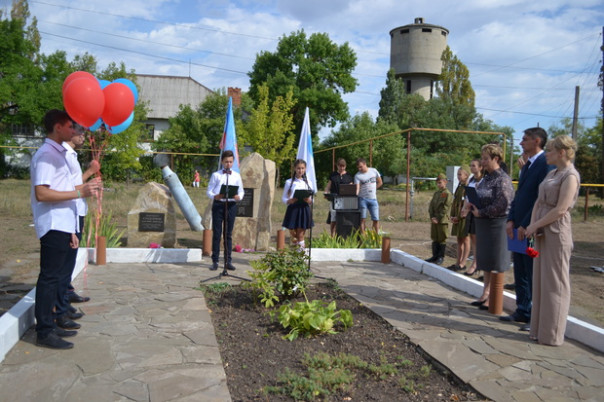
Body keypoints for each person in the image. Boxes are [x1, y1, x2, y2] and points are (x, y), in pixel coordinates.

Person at [30, 110, 101, 349]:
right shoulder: (46, 155)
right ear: (58, 127)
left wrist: (72, 229)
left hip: (63, 223)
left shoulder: (58, 153)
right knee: (49, 278)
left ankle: (53, 321)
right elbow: (42, 193)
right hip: (52, 224)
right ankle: (44, 331)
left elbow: (64, 190)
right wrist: (80, 192)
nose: (74, 131)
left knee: (57, 276)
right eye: (70, 126)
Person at [525, 135, 580, 345]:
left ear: (562, 152)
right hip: (541, 232)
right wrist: (533, 225)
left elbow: (561, 209)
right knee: (540, 281)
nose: (546, 154)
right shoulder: (552, 173)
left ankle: (552, 334)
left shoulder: (570, 176)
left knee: (555, 283)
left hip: (556, 232)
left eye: (550, 150)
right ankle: (538, 330)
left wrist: (536, 225)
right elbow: (539, 202)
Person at [501, 127, 553, 326]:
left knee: (532, 271)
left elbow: (539, 200)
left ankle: (534, 315)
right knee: (520, 270)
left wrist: (525, 224)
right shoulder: (527, 165)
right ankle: (522, 309)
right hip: (517, 227)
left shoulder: (545, 164)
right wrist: (511, 219)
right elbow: (519, 195)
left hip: (530, 229)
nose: (521, 143)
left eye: (525, 139)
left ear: (537, 141)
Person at [57, 124, 101, 329]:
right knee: (63, 264)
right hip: (68, 212)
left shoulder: (72, 155)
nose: (83, 135)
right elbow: (70, 187)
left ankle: (66, 296)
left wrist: (90, 182)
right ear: (69, 132)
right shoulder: (62, 154)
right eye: (80, 131)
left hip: (76, 210)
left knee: (69, 260)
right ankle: (61, 304)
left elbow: (76, 183)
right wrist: (90, 173)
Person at [469, 144, 514, 310]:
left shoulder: (502, 179)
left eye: (486, 159)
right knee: (486, 261)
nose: (483, 162)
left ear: (496, 159)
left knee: (496, 261)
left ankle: (493, 297)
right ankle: (485, 293)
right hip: (483, 224)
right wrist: (472, 204)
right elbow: (481, 195)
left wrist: (481, 212)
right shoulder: (486, 178)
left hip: (497, 224)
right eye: (482, 158)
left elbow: (503, 204)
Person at [206, 150, 244, 271]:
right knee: (217, 233)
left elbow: (241, 191)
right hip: (219, 205)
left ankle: (228, 261)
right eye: (226, 161)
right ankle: (215, 260)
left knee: (228, 234)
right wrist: (215, 196)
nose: (228, 164)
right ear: (222, 161)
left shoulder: (236, 176)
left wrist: (238, 197)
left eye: (231, 162)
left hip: (231, 205)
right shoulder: (216, 175)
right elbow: (209, 191)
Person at [282, 159, 314, 250]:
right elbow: (284, 197)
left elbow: (312, 199)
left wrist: (309, 200)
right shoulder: (289, 182)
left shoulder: (308, 182)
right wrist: (289, 201)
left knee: (300, 233)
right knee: (293, 233)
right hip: (293, 208)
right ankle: (296, 250)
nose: (300, 170)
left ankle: (301, 253)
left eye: (302, 168)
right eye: (298, 168)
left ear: (305, 169)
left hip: (304, 208)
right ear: (295, 169)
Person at [462, 159, 484, 276]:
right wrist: (464, 208)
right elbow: (467, 196)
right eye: (471, 165)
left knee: (478, 238)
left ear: (480, 167)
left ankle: (477, 263)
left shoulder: (484, 180)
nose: (472, 168)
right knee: (472, 237)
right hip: (471, 210)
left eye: (474, 165)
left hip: (479, 211)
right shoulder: (471, 180)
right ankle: (475, 262)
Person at [425, 173, 453, 265]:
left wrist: (438, 218)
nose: (438, 184)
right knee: (435, 237)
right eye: (437, 183)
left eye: (440, 182)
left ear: (445, 182)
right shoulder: (436, 193)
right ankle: (435, 256)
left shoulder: (447, 194)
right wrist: (432, 217)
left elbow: (445, 207)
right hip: (434, 219)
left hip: (442, 220)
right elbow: (431, 206)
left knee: (442, 238)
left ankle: (441, 257)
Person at [448, 166, 471, 271]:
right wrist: (452, 216)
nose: (458, 176)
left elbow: (466, 204)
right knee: (459, 240)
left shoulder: (468, 187)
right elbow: (455, 203)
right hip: (457, 217)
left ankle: (463, 262)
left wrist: (459, 217)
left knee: (466, 239)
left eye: (460, 174)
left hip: (464, 218)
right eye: (457, 174)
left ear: (466, 175)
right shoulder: (459, 186)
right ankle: (458, 262)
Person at [324, 158, 354, 236]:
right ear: (337, 166)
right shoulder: (333, 175)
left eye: (343, 166)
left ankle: (343, 235)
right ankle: (332, 235)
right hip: (334, 200)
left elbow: (351, 187)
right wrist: (326, 193)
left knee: (344, 218)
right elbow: (328, 186)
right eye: (340, 166)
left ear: (345, 166)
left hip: (345, 200)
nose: (342, 168)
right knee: (333, 219)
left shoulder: (348, 176)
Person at [354, 158, 382, 234]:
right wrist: (356, 194)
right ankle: (363, 236)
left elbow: (380, 182)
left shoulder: (374, 171)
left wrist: (374, 189)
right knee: (362, 219)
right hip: (363, 199)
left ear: (365, 164)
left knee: (376, 219)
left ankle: (375, 236)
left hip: (373, 199)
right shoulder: (357, 175)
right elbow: (357, 187)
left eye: (361, 167)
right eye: (358, 167)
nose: (360, 169)